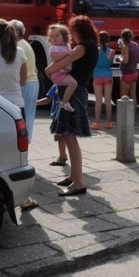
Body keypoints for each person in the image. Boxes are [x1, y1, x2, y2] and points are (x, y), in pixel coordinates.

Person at [45, 15, 99, 197]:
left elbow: (61, 63)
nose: (71, 35)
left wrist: (48, 70)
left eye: (72, 30)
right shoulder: (91, 45)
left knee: (69, 135)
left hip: (74, 93)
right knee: (69, 135)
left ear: (78, 30)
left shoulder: (83, 46)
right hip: (77, 90)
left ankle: (78, 182)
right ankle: (74, 176)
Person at [10, 20, 39, 142]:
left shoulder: (18, 46)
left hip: (25, 83)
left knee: (21, 117)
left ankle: (22, 143)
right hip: (33, 81)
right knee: (29, 116)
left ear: (16, 31)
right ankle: (26, 143)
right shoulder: (25, 44)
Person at [47, 24, 78, 112]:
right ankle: (64, 102)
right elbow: (55, 58)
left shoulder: (67, 46)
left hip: (65, 72)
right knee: (73, 84)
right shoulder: (54, 48)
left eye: (57, 35)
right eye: (52, 36)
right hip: (58, 74)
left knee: (72, 83)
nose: (54, 38)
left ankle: (62, 95)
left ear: (64, 36)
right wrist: (67, 53)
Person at [92, 31, 116, 130]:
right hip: (108, 76)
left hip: (97, 76)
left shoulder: (95, 51)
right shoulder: (111, 51)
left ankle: (97, 123)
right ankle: (109, 122)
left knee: (98, 101)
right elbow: (110, 63)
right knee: (108, 100)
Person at [118, 28, 139, 107]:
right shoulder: (136, 45)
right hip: (134, 72)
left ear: (122, 37)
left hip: (127, 73)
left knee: (123, 96)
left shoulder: (125, 46)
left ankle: (123, 117)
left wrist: (119, 58)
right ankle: (133, 116)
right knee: (133, 95)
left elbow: (125, 61)